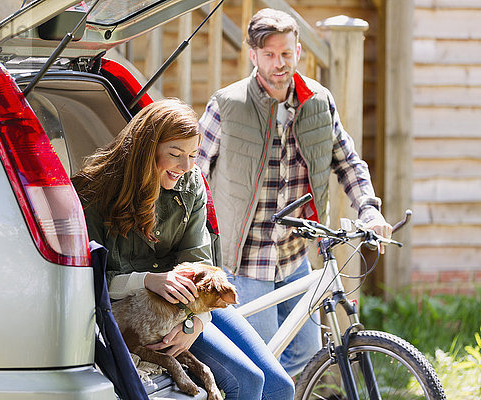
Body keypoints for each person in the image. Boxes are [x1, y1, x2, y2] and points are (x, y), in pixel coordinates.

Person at [196, 8, 393, 377]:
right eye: (269, 55)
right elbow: (194, 176)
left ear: (298, 51)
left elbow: (347, 161)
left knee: (306, 355)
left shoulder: (318, 102)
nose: (279, 63)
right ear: (252, 55)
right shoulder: (227, 105)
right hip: (245, 262)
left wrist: (369, 209)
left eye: (286, 53)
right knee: (264, 369)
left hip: (295, 258)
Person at [73, 98, 294, 400]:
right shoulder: (95, 192)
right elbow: (92, 279)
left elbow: (199, 260)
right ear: (146, 150)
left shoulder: (191, 184)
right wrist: (149, 280)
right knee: (248, 382)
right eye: (175, 154)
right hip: (140, 309)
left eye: (192, 154)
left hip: (191, 306)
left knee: (282, 386)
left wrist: (196, 323)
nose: (186, 166)